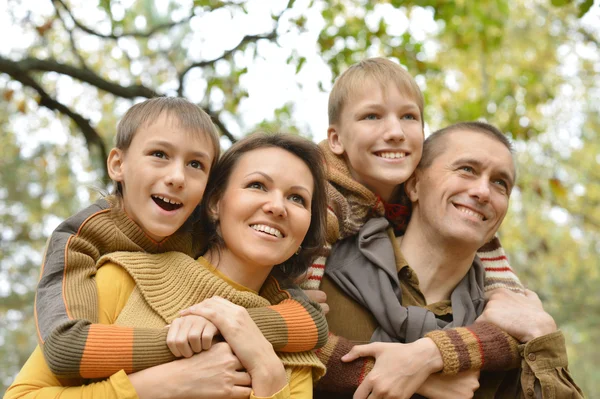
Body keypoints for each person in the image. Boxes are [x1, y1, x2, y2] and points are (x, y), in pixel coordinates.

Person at [6, 132, 329, 399]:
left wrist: (264, 366)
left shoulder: (296, 355)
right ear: (215, 202)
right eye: (257, 185)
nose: (277, 207)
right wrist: (160, 385)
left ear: (305, 230)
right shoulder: (123, 277)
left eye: (297, 199)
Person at [314, 122, 583, 398]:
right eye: (467, 169)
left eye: (499, 183)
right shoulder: (319, 273)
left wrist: (542, 335)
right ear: (414, 184)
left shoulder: (511, 324)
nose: (482, 192)